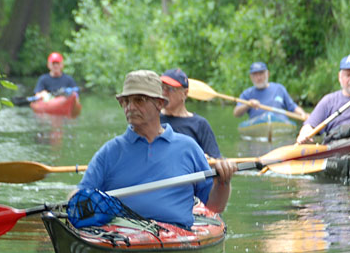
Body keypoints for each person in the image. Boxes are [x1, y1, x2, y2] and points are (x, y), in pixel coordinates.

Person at [75, 70, 236, 228]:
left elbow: (215, 207)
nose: (130, 107)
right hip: (122, 235)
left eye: (139, 100)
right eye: (125, 101)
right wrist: (78, 202)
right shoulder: (109, 152)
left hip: (176, 238)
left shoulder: (189, 148)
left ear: (159, 103)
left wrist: (223, 183)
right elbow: (79, 194)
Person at [159, 68, 222, 158]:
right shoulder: (152, 120)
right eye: (162, 87)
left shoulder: (200, 125)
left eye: (170, 89)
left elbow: (215, 160)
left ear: (185, 93)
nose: (164, 93)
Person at [233, 61, 307, 121]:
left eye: (261, 73)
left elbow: (293, 107)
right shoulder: (247, 94)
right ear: (251, 77)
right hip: (258, 124)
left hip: (280, 122)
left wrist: (302, 114)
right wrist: (248, 104)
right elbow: (236, 113)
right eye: (255, 74)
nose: (258, 77)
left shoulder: (279, 89)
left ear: (267, 74)